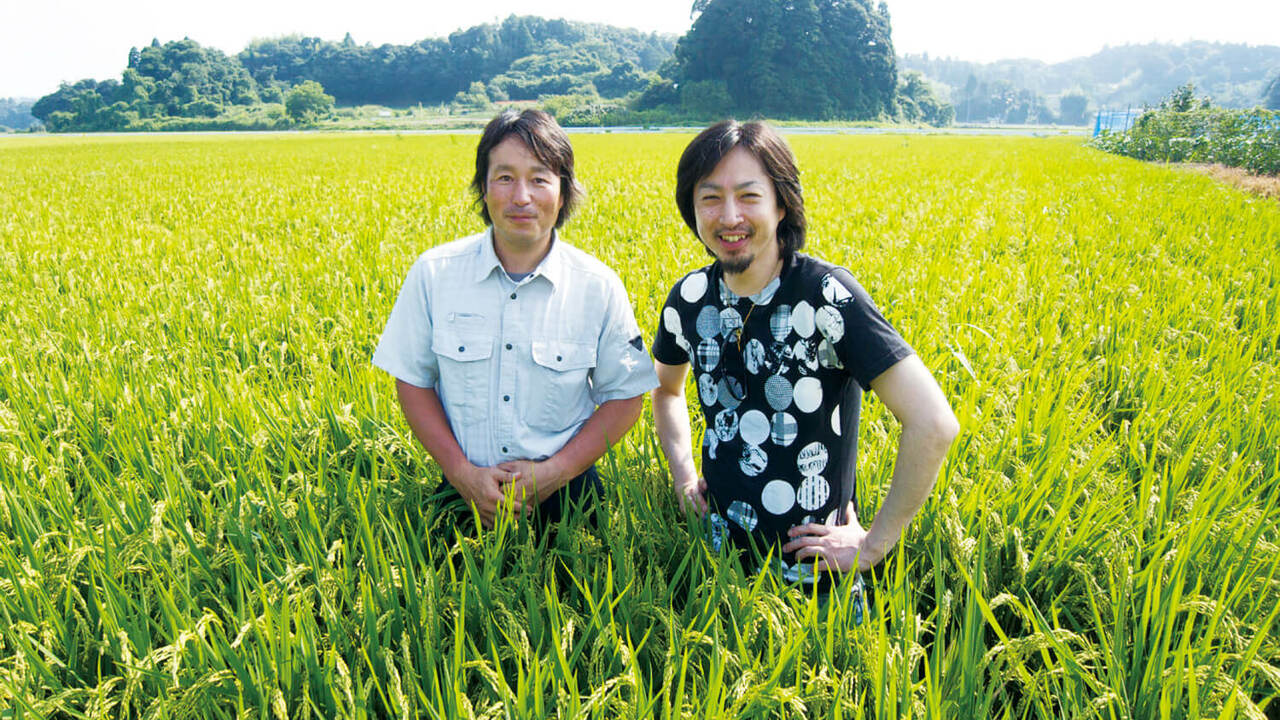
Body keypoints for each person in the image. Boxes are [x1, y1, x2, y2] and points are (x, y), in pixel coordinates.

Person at [651, 120, 958, 597]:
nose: (729, 215)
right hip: (714, 561)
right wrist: (684, 474)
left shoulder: (825, 297)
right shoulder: (689, 299)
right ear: (691, 209)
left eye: (749, 196)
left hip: (816, 572)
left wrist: (874, 546)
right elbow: (667, 389)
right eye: (709, 197)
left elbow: (934, 422)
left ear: (782, 203)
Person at [373, 109, 657, 532]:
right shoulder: (435, 273)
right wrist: (463, 475)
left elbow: (626, 398)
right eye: (504, 178)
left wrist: (556, 472)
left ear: (563, 193)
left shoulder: (597, 285)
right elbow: (413, 381)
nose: (521, 196)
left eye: (539, 178)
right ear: (483, 190)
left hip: (569, 495)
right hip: (463, 490)